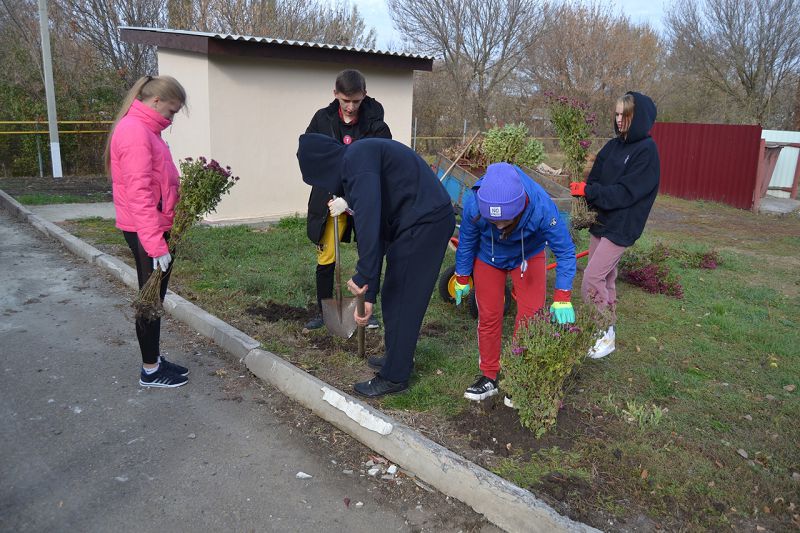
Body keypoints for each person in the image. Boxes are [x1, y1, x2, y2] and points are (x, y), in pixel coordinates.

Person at [297, 133, 456, 397]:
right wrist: (368, 288)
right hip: (411, 220)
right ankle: (397, 357)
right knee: (395, 292)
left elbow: (368, 221)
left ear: (321, 166)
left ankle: (395, 376)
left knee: (403, 297)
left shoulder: (357, 161)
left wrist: (365, 276)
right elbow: (378, 226)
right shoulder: (356, 161)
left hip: (426, 221)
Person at [453, 163, 577, 402]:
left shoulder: (542, 207)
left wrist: (562, 295)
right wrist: (461, 276)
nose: (499, 226)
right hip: (488, 257)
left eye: (505, 221)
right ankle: (489, 376)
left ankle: (519, 377)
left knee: (530, 317)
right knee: (489, 316)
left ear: (521, 208)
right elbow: (467, 241)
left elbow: (565, 250)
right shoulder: (474, 203)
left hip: (527, 256)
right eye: (493, 221)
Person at [104, 75, 190, 388]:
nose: (171, 118)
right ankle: (150, 370)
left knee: (155, 298)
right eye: (171, 111)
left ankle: (153, 357)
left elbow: (159, 182)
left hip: (155, 227)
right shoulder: (135, 132)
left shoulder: (148, 131)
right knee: (149, 300)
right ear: (156, 101)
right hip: (146, 231)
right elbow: (139, 193)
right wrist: (155, 245)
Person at [569, 91, 660, 359]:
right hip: (602, 220)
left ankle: (601, 329)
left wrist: (590, 192)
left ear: (638, 117)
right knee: (606, 277)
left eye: (625, 115)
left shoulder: (646, 152)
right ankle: (607, 331)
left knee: (591, 278)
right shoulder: (612, 146)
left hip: (622, 226)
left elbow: (625, 193)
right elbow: (596, 178)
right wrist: (586, 188)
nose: (619, 120)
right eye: (617, 114)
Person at [304, 69, 392, 331]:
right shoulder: (322, 119)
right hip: (329, 199)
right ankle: (324, 311)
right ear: (335, 94)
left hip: (364, 198)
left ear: (364, 95)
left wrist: (351, 198)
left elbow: (382, 163)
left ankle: (367, 308)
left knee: (369, 252)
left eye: (356, 101)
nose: (351, 107)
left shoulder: (376, 125)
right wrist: (329, 185)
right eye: (345, 101)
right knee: (326, 255)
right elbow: (310, 153)